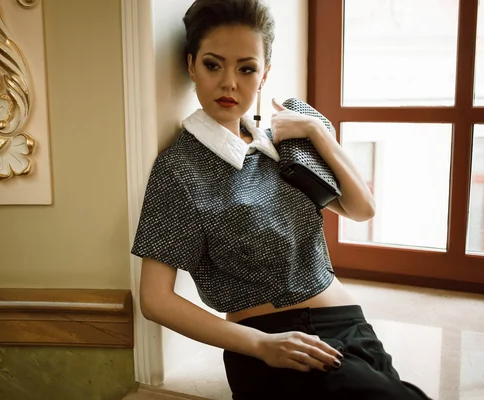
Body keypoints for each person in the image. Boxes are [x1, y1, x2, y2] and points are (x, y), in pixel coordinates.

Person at [131, 0, 432, 398]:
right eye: (213, 64)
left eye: (246, 68)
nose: (229, 84)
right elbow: (155, 300)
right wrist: (260, 345)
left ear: (264, 74)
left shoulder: (284, 144)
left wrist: (316, 131)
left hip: (351, 327)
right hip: (272, 346)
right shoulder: (179, 169)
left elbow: (362, 209)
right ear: (191, 66)